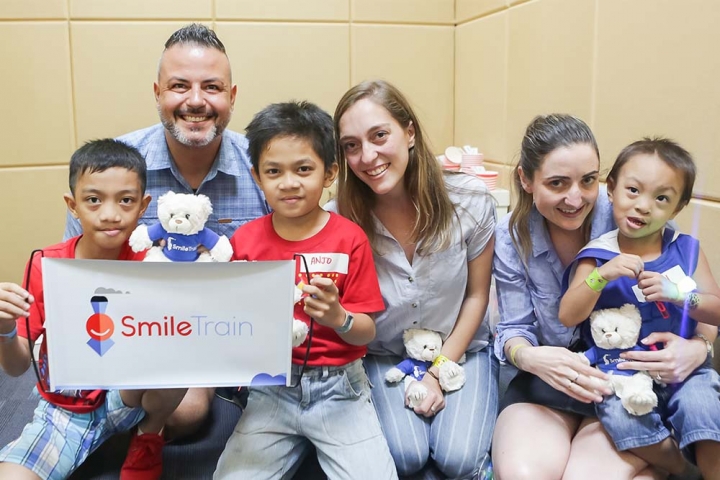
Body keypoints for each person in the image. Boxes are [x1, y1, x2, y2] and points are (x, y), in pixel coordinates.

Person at [63, 23, 270, 439]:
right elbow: (79, 275)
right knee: (184, 410)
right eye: (179, 86)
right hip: (135, 331)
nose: (196, 101)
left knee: (190, 409)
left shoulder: (265, 167)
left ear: (232, 97)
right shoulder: (112, 170)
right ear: (157, 93)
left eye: (211, 87)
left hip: (235, 336)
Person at [492, 114, 716, 480]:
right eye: (557, 183)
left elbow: (696, 300)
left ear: (604, 182)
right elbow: (514, 327)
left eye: (587, 180)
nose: (575, 198)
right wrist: (531, 357)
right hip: (549, 384)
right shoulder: (509, 235)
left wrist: (700, 347)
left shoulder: (638, 218)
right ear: (526, 180)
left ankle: (680, 465)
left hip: (629, 386)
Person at [214, 101, 397, 479]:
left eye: (303, 169)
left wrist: (339, 318)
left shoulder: (350, 238)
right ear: (257, 177)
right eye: (273, 172)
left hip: (340, 389)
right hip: (271, 389)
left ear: (329, 172)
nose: (289, 182)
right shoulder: (245, 241)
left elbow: (367, 329)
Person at [331, 80, 497, 479]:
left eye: (379, 136)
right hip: (385, 356)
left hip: (462, 348)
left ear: (409, 132)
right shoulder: (340, 219)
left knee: (458, 459)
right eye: (351, 145)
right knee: (405, 456)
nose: (367, 156)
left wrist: (440, 371)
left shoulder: (471, 202)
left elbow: (477, 296)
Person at [0, 139, 188, 480]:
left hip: (128, 397)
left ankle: (149, 434)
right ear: (73, 205)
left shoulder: (154, 262)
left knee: (178, 365)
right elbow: (15, 367)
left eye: (126, 200)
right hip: (62, 411)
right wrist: (5, 329)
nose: (110, 214)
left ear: (144, 205)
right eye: (93, 200)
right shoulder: (45, 264)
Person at [559, 137, 720, 480]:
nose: (644, 206)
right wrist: (601, 276)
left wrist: (680, 295)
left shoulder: (686, 249)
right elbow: (568, 315)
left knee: (705, 410)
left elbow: (715, 310)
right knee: (621, 419)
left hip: (685, 370)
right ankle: (682, 469)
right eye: (633, 190)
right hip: (621, 374)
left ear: (678, 208)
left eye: (661, 198)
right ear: (611, 189)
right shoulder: (597, 254)